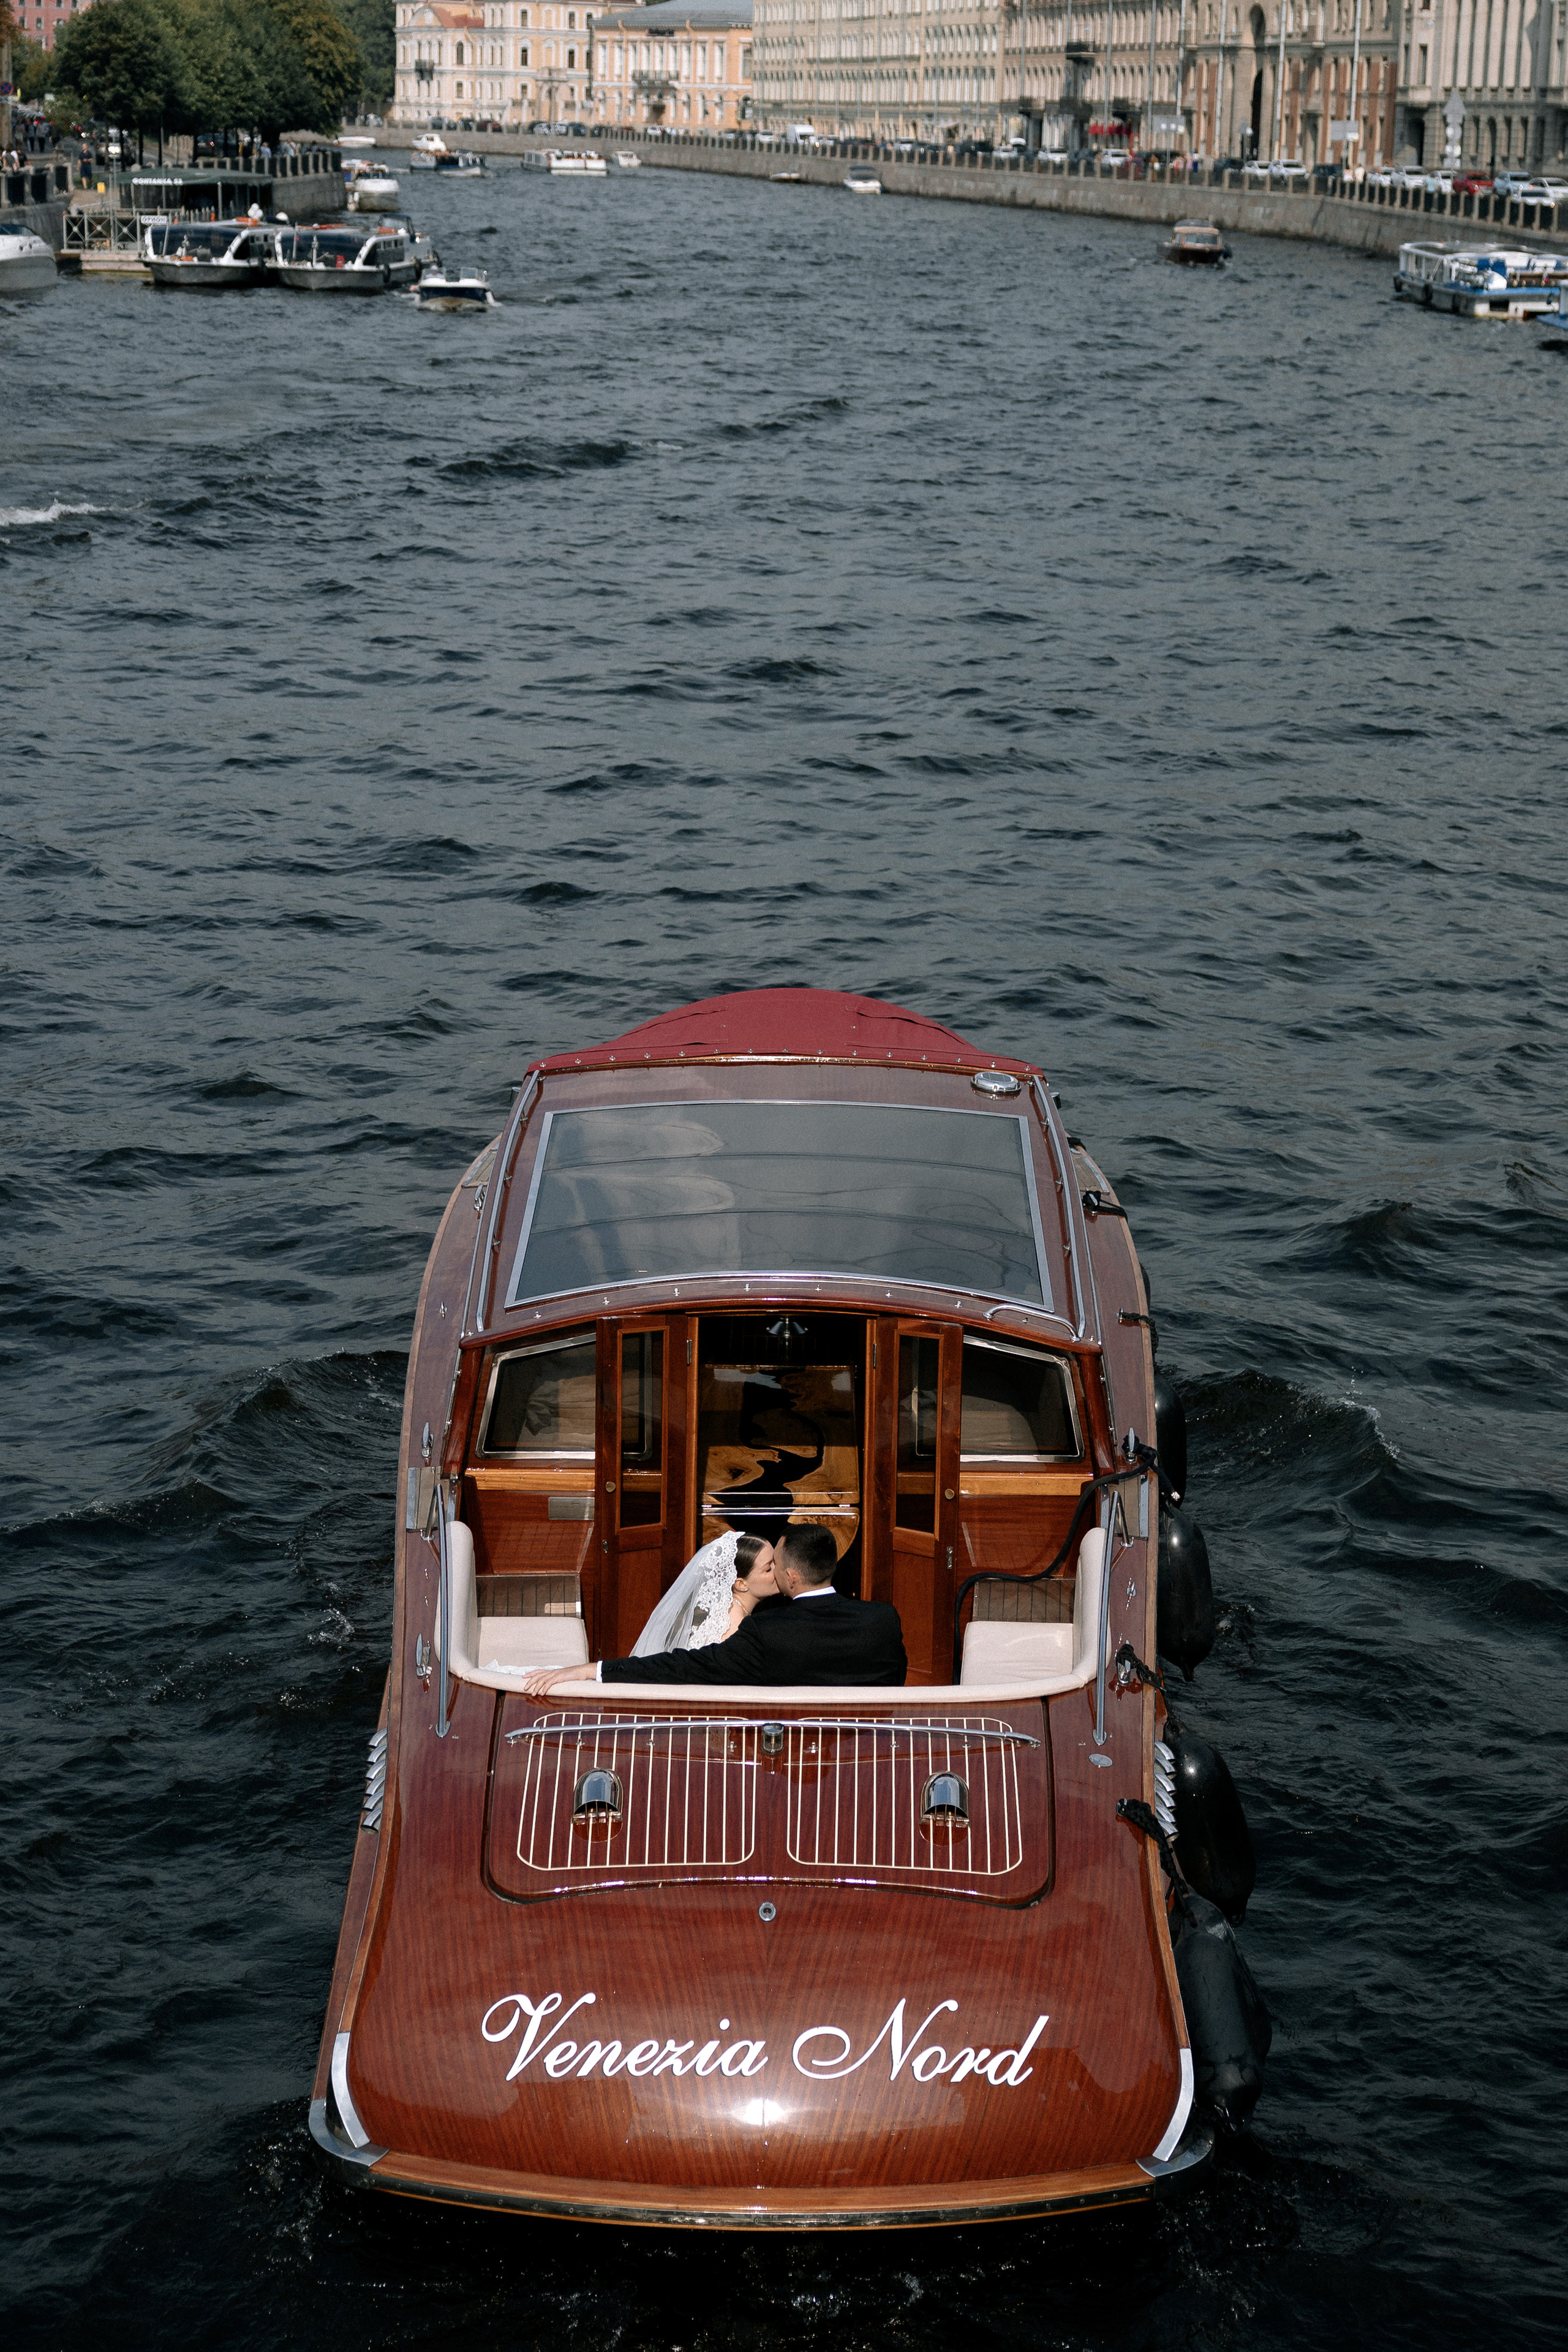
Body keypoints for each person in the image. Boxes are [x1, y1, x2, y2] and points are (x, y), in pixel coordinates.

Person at [521, 1522, 906, 1694]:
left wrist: (595, 1668)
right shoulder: (884, 1621)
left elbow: (683, 1667)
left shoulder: (766, 1634)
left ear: (790, 1577)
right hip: (866, 1763)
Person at [630, 1528, 778, 1656]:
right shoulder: (736, 1628)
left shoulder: (727, 1613)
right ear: (741, 1584)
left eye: (776, 1562)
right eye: (768, 1569)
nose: (779, 1571)